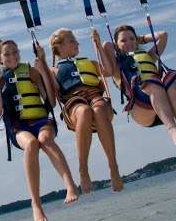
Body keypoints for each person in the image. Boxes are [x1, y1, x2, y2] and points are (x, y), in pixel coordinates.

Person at [0, 39, 79, 221]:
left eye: (15, 52)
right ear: (0, 58)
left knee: (45, 139)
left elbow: (51, 102)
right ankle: (36, 204)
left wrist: (43, 71)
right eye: (7, 54)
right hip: (18, 127)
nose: (12, 56)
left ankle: (70, 185)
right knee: (32, 144)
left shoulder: (30, 71)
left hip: (41, 119)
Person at [44, 28, 123, 194]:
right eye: (72, 41)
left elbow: (108, 71)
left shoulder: (90, 63)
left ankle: (113, 166)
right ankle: (83, 169)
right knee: (84, 111)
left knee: (99, 108)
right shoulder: (53, 70)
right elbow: (53, 93)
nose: (77, 43)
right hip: (74, 106)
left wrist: (98, 45)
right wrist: (43, 64)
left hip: (97, 99)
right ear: (59, 46)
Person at [99, 25, 176, 148]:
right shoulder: (117, 65)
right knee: (153, 84)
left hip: (164, 104)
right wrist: (118, 44)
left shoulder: (150, 56)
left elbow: (163, 35)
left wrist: (141, 38)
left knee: (170, 80)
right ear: (116, 44)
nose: (129, 42)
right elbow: (107, 45)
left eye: (132, 39)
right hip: (141, 108)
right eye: (123, 40)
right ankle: (172, 129)